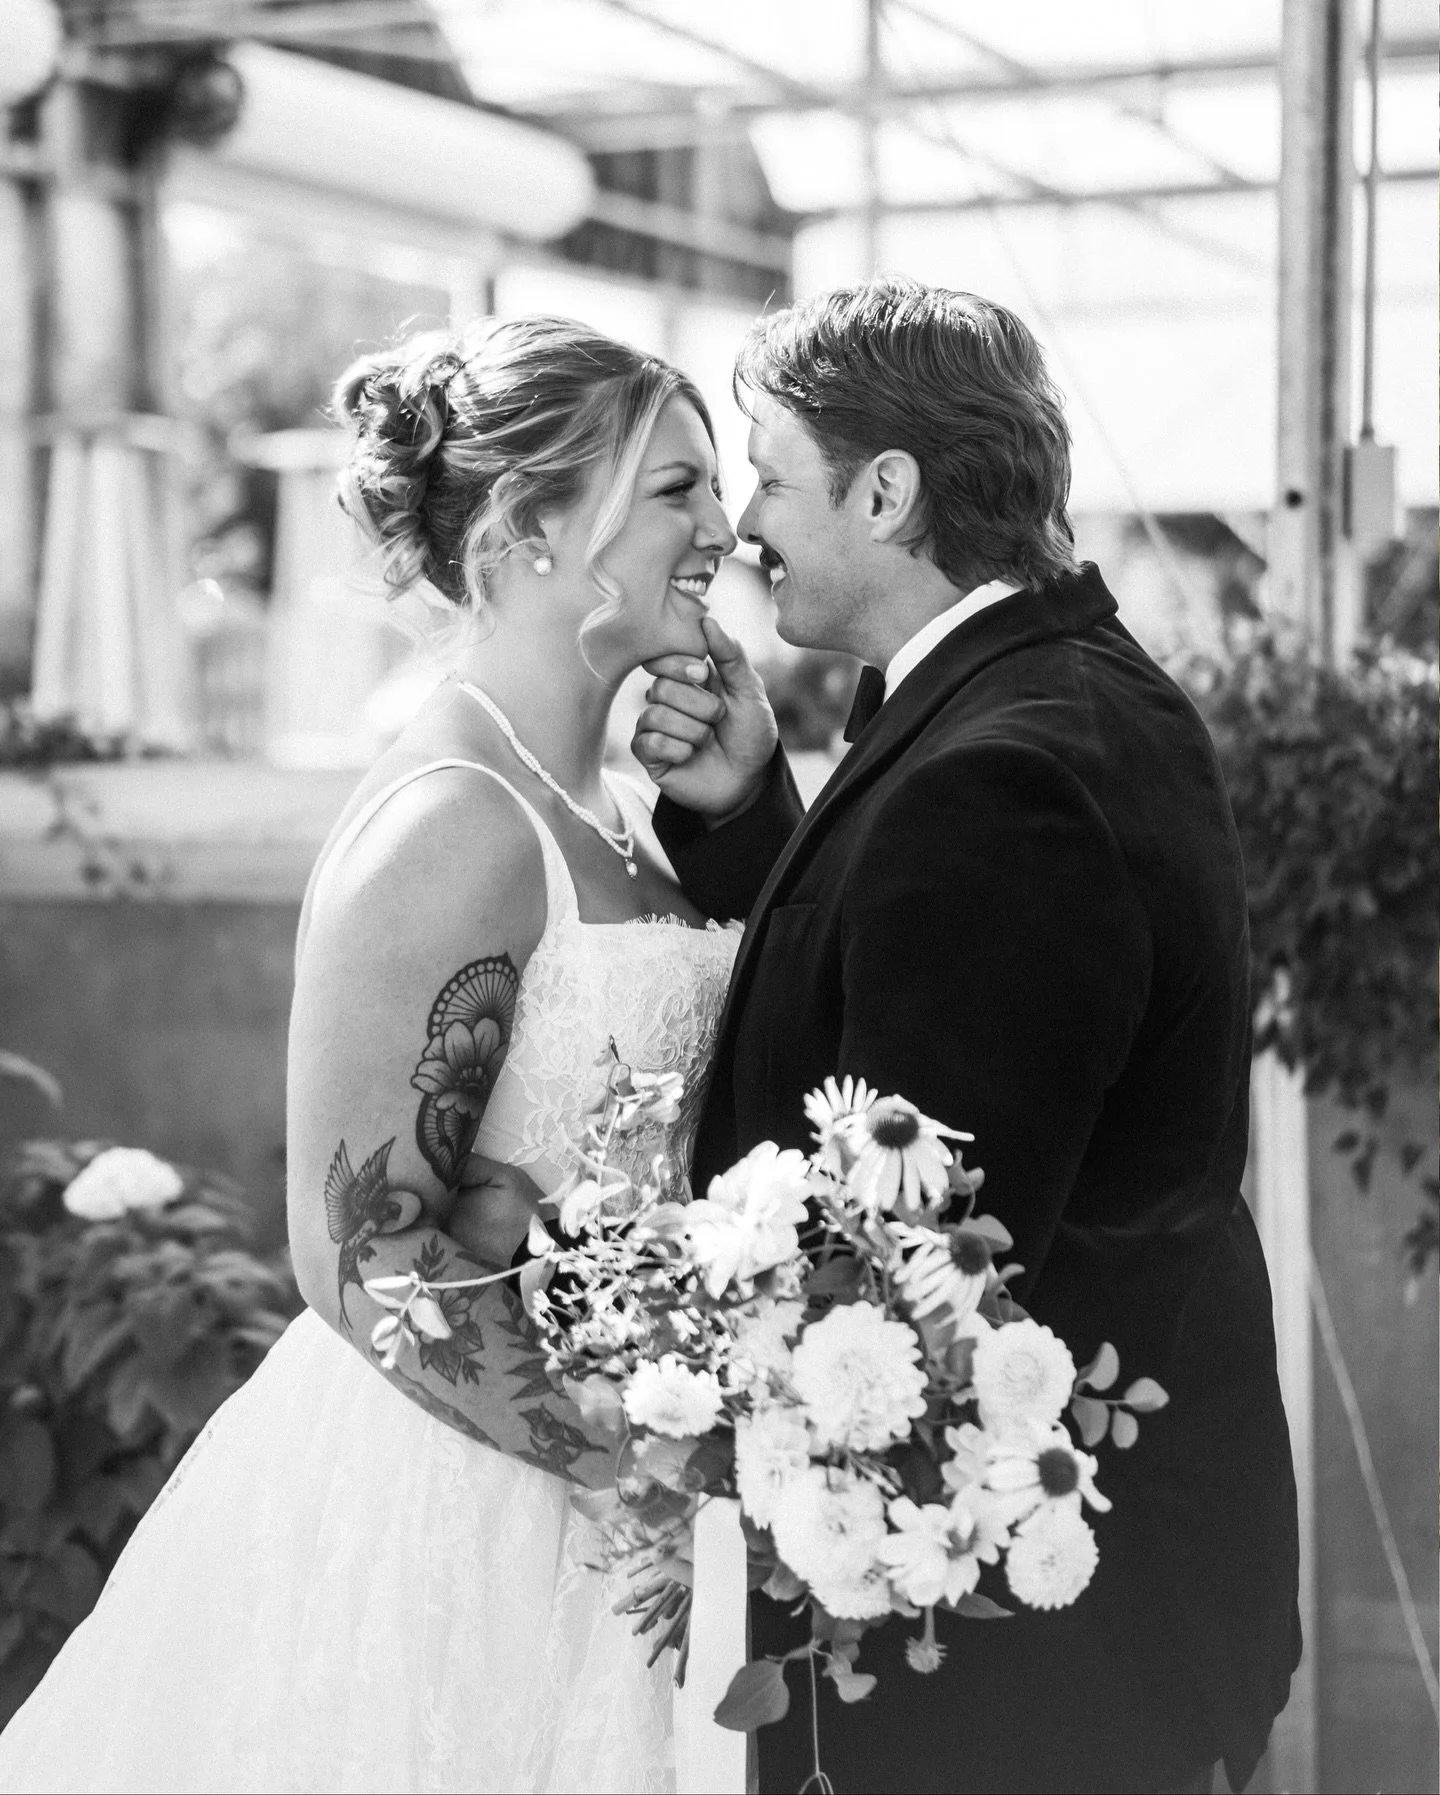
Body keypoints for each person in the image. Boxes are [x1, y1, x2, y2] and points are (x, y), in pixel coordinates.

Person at [0, 316, 742, 1793]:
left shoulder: (606, 805)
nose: (722, 530)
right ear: (533, 529)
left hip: (631, 1492)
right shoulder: (458, 816)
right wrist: (623, 1455)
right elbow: (357, 1253)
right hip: (472, 1503)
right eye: (676, 491)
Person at [633, 277, 1301, 1795]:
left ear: (888, 489)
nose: (743, 520)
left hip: (1021, 1662)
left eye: (767, 473)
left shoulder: (1003, 775)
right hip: (1109, 1607)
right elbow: (902, 1009)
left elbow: (930, 1263)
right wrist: (756, 819)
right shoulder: (1054, 696)